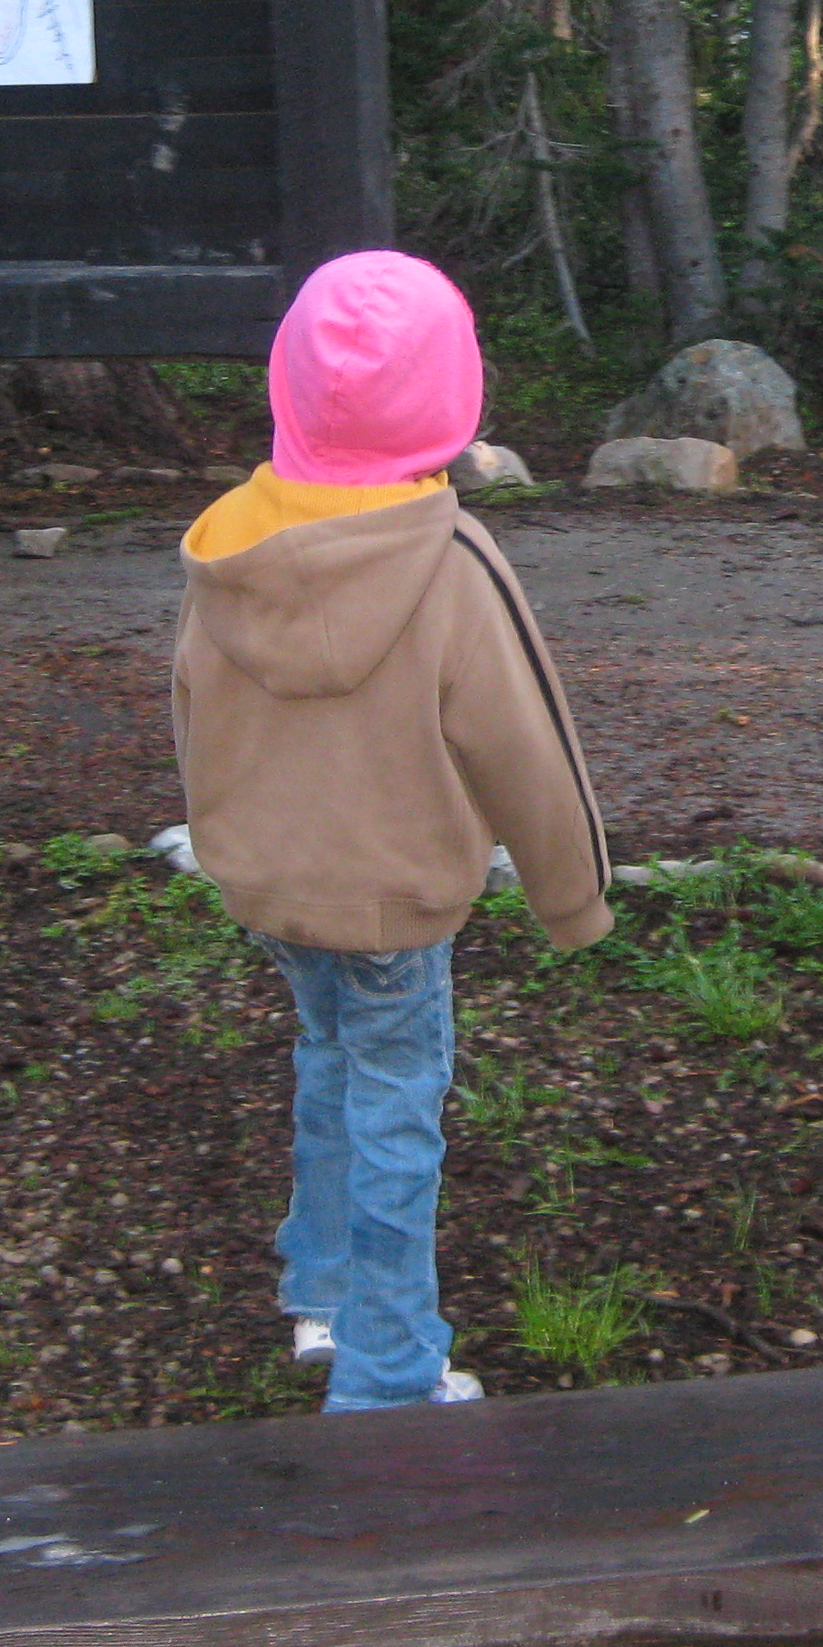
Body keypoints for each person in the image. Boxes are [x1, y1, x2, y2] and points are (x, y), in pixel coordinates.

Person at [173, 250, 612, 1410]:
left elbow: (194, 714)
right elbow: (529, 743)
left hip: (273, 885)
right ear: (451, 397)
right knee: (394, 1105)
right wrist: (574, 900)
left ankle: (320, 1294)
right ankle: (388, 1370)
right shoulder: (451, 560)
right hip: (399, 898)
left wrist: (225, 848)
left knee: (327, 1059)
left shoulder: (229, 544)